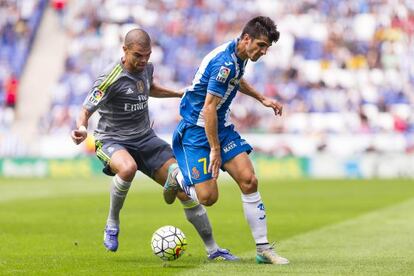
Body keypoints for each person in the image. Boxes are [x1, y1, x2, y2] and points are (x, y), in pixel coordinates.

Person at [71, 28, 238, 260]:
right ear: (125, 50)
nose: (143, 60)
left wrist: (177, 93)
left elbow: (149, 88)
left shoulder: (147, 69)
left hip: (146, 139)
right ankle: (112, 222)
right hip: (112, 140)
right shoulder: (110, 76)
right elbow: (86, 108)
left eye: (147, 55)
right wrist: (81, 127)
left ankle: (213, 250)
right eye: (138, 55)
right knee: (127, 168)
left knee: (183, 189)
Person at [171, 16, 289, 264]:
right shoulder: (223, 63)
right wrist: (215, 149)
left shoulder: (238, 56)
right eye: (261, 45)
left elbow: (236, 80)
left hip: (220, 127)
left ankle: (263, 249)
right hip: (196, 129)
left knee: (249, 179)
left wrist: (262, 98)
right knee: (208, 198)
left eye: (266, 47)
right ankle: (178, 177)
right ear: (246, 39)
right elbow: (209, 107)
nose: (264, 51)